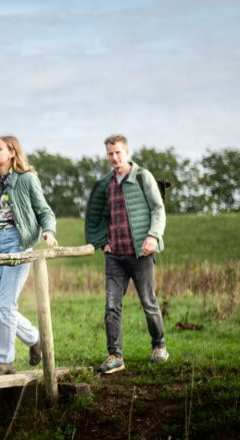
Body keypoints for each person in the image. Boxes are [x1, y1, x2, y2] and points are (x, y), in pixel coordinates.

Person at [84, 134, 168, 374]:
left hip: (140, 254)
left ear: (127, 152)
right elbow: (98, 216)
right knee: (111, 306)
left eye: (118, 153)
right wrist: (103, 243)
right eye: (110, 153)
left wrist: (153, 235)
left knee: (148, 303)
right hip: (115, 256)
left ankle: (159, 346)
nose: (114, 158)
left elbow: (158, 209)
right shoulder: (105, 185)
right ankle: (115, 356)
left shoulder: (143, 177)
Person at [0, 135, 58, 376]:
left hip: (17, 244)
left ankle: (5, 361)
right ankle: (34, 339)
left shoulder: (26, 180)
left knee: (5, 305)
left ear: (12, 152)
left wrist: (48, 231)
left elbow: (44, 210)